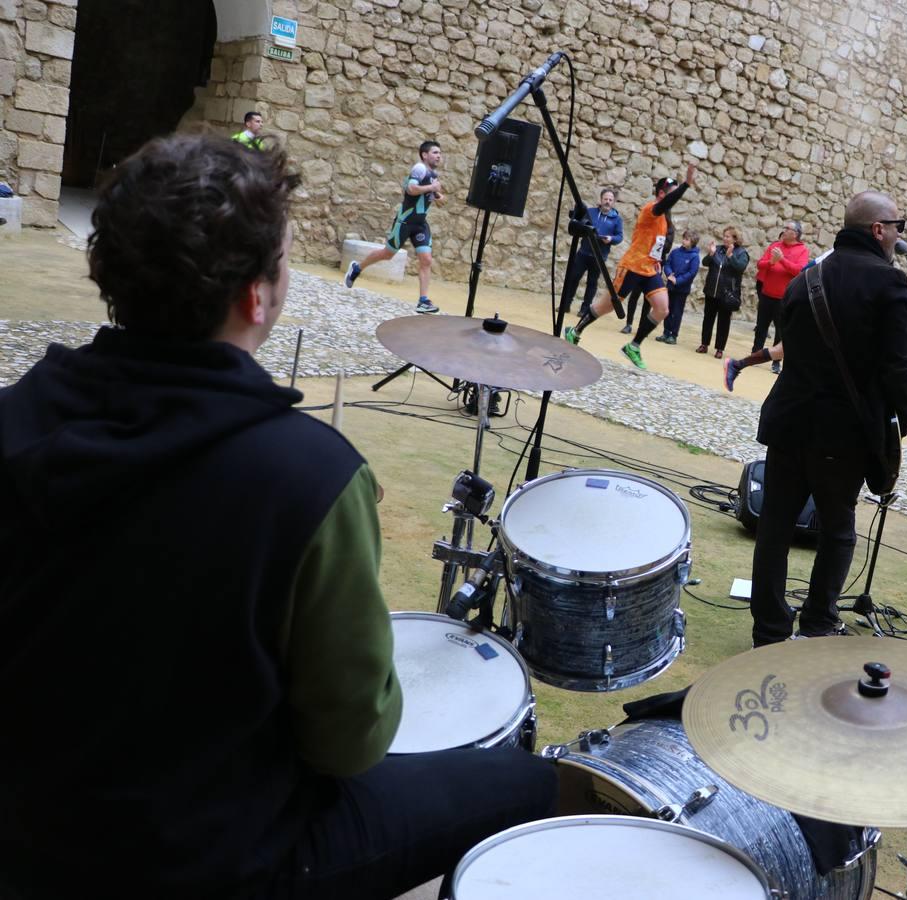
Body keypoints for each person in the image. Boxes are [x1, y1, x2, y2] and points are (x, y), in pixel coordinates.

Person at [0, 134, 556, 899]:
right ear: (256, 296)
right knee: (526, 787)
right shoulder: (309, 477)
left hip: (28, 834)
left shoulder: (16, 416)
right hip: (214, 862)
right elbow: (349, 743)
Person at [750, 191, 907, 647]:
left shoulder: (809, 277)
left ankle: (768, 631)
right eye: (897, 224)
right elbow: (898, 366)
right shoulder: (890, 285)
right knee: (838, 530)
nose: (900, 233)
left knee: (775, 529)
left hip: (789, 421)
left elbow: (794, 346)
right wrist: (902, 420)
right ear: (878, 230)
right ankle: (819, 622)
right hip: (843, 433)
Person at [564, 163, 697, 369]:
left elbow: (659, 242)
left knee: (662, 308)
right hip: (633, 265)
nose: (674, 198)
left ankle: (634, 346)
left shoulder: (664, 217)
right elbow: (666, 203)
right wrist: (687, 184)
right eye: (671, 193)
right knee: (607, 306)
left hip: (650, 268)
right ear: (661, 194)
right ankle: (576, 330)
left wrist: (659, 260)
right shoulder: (651, 209)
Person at [344, 140, 444, 314]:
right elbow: (411, 189)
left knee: (426, 260)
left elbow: (439, 200)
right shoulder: (419, 169)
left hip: (420, 224)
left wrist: (438, 194)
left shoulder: (433, 174)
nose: (439, 156)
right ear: (424, 155)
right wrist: (431, 187)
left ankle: (423, 301)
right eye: (435, 152)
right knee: (387, 254)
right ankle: (357, 268)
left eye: (439, 153)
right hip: (405, 220)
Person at [754, 221, 811, 371]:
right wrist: (771, 262)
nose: (784, 230)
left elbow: (799, 270)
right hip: (767, 294)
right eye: (784, 228)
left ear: (795, 234)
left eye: (787, 229)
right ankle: (755, 355)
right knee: (761, 327)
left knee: (781, 331)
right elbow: (760, 264)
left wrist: (782, 260)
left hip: (784, 298)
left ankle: (776, 362)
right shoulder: (775, 245)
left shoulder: (802, 250)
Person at [560, 188, 624, 320]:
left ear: (614, 202)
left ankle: (584, 310)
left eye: (610, 200)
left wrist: (610, 239)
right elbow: (579, 224)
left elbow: (619, 237)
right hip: (583, 252)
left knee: (592, 283)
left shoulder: (617, 219)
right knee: (573, 278)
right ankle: (565, 305)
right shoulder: (590, 212)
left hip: (599, 256)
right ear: (600, 200)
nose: (607, 202)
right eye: (605, 199)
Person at [696, 227, 751, 359]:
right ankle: (704, 344)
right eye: (724, 236)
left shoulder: (741, 253)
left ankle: (720, 348)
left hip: (727, 293)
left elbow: (740, 268)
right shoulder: (718, 249)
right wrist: (711, 254)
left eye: (728, 236)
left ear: (735, 239)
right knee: (708, 318)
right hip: (712, 290)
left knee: (724, 321)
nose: (725, 238)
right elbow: (705, 263)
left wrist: (731, 256)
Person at [658, 229, 701, 343]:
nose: (684, 241)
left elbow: (691, 273)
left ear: (693, 242)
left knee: (677, 312)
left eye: (687, 239)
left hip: (682, 289)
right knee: (667, 310)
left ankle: (673, 335)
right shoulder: (675, 252)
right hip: (670, 286)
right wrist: (669, 274)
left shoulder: (694, 257)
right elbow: (668, 263)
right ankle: (665, 332)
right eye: (684, 238)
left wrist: (678, 280)